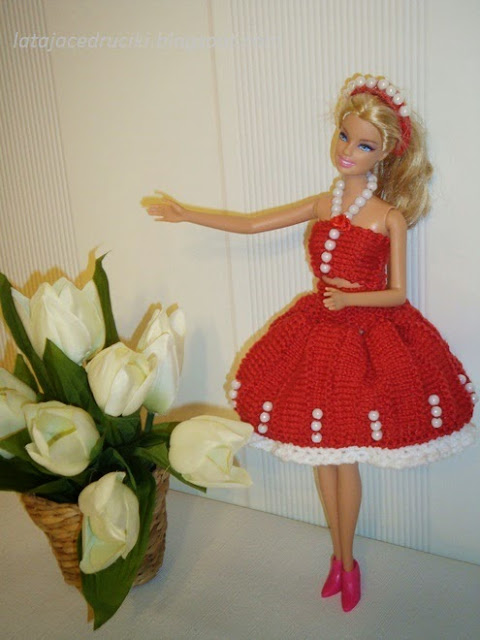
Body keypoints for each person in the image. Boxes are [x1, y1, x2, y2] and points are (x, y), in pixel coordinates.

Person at [143, 73, 478, 613]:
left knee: (345, 457)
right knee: (325, 457)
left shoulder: (390, 217)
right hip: (317, 334)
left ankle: (348, 561)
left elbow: (398, 293)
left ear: (385, 153)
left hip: (366, 342)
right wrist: (188, 214)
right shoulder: (326, 203)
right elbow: (254, 224)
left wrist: (351, 299)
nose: (348, 151)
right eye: (344, 136)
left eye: (364, 144)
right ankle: (339, 559)